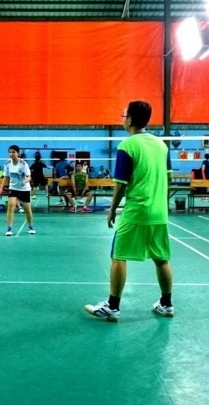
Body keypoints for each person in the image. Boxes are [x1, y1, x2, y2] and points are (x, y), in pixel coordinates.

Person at [85, 101, 173, 322]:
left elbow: (121, 185)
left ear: (131, 119)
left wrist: (112, 210)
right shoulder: (162, 146)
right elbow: (168, 178)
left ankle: (112, 307)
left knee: (118, 256)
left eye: (123, 115)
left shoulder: (127, 146)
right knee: (161, 259)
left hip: (136, 212)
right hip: (160, 213)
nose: (122, 119)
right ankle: (166, 304)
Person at [0, 145, 36, 236]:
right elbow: (6, 177)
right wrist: (1, 188)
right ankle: (9, 228)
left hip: (24, 189)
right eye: (10, 152)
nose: (11, 154)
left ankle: (31, 227)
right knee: (11, 206)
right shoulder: (7, 163)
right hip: (13, 188)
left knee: (27, 209)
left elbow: (29, 177)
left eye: (13, 152)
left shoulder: (23, 163)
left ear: (18, 153)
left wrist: (24, 181)